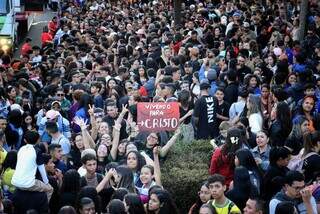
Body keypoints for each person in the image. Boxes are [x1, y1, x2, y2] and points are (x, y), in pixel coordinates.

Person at [11, 130, 53, 201]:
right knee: (50, 189)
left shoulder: (21, 149)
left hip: (15, 181)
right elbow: (42, 169)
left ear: (25, 140)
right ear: (37, 140)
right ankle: (44, 209)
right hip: (28, 183)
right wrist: (46, 182)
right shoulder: (37, 151)